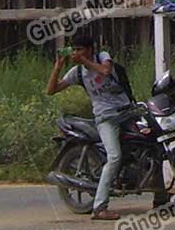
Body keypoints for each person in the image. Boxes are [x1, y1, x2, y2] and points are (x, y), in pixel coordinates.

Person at [46, 33, 131, 221]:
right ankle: (100, 207)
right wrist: (58, 66)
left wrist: (85, 60)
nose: (76, 53)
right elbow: (51, 90)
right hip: (106, 119)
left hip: (126, 111)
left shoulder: (102, 57)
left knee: (152, 143)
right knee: (114, 157)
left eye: (80, 50)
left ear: (90, 50)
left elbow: (105, 71)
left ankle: (161, 197)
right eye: (74, 50)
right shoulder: (77, 72)